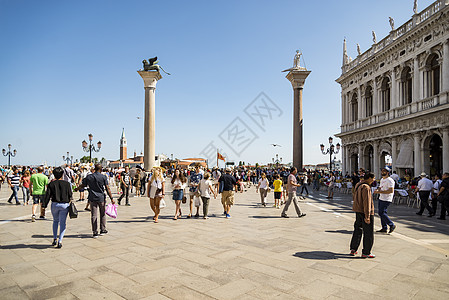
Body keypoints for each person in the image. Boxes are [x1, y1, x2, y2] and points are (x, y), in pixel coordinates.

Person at [77, 164, 115, 238]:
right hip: (101, 198)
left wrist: (77, 189)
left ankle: (95, 231)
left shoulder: (89, 177)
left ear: (94, 168)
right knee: (102, 214)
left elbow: (83, 185)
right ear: (101, 169)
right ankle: (103, 229)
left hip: (92, 197)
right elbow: (107, 188)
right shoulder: (103, 177)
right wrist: (112, 198)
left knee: (94, 215)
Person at [42, 167, 72, 248]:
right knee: (62, 223)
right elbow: (70, 195)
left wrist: (44, 205)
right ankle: (60, 241)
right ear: (62, 174)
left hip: (55, 204)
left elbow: (47, 195)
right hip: (64, 205)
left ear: (54, 175)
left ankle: (55, 238)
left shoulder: (51, 184)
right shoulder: (67, 184)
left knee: (55, 221)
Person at [350, 172, 376, 258]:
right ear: (369, 178)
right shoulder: (366, 187)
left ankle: (353, 249)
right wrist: (367, 216)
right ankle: (366, 252)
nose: (374, 180)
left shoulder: (358, 185)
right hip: (364, 211)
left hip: (358, 210)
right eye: (373, 178)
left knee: (357, 230)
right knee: (368, 232)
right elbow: (367, 202)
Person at [373, 169, 396, 233]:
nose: (382, 172)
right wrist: (378, 190)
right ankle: (384, 227)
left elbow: (391, 190)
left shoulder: (390, 180)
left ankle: (391, 224)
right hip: (381, 198)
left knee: (381, 212)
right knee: (382, 213)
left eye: (384, 171)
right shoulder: (382, 179)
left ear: (387, 172)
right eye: (382, 171)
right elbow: (380, 187)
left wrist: (380, 192)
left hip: (387, 198)